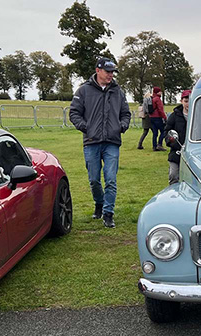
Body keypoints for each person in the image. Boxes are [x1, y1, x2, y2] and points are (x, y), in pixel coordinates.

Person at [69, 57, 131, 228]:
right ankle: (99, 202)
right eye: (107, 71)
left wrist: (121, 126)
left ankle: (108, 213)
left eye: (112, 72)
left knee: (111, 179)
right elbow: (74, 113)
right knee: (94, 179)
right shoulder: (83, 91)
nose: (111, 75)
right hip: (91, 141)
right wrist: (86, 127)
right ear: (98, 70)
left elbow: (126, 113)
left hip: (112, 141)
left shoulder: (118, 91)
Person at [164, 89, 190, 185]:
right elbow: (167, 131)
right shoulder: (174, 116)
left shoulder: (197, 115)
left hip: (192, 151)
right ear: (181, 101)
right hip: (176, 151)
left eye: (190, 101)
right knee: (173, 175)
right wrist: (170, 140)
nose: (188, 104)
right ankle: (173, 194)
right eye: (186, 101)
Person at [149, 86, 168, 151]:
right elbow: (160, 109)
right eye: (160, 91)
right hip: (157, 117)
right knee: (163, 131)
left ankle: (154, 146)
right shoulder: (157, 99)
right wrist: (165, 117)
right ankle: (159, 145)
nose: (161, 92)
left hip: (151, 117)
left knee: (155, 133)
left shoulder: (152, 98)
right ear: (157, 92)